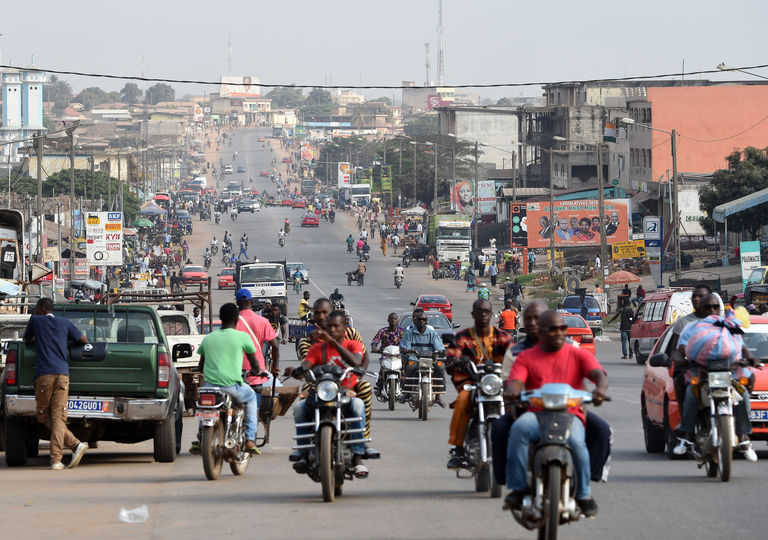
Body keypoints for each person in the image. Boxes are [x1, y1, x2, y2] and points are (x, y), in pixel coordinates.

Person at [493, 301, 612, 485]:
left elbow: (593, 373)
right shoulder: (517, 353)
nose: (533, 323)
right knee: (500, 429)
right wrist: (513, 396)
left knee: (603, 431)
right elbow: (510, 384)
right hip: (531, 409)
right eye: (529, 319)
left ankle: (588, 480)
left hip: (569, 409)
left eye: (538, 319)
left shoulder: (572, 347)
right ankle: (509, 480)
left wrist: (597, 392)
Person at [289, 310, 370, 477]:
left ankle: (357, 457)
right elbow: (307, 363)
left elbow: (355, 361)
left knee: (358, 405)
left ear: (344, 327)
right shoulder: (317, 347)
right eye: (330, 327)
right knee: (299, 408)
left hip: (346, 391)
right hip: (323, 391)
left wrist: (333, 342)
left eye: (336, 326)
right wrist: (298, 371)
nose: (332, 329)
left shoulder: (352, 344)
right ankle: (303, 452)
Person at [296, 298, 378, 459]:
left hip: (349, 382)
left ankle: (362, 438)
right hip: (321, 385)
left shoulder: (351, 333)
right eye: (317, 313)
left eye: (324, 313)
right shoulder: (309, 340)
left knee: (365, 389)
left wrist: (360, 371)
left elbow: (363, 355)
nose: (320, 317)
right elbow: (307, 366)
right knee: (304, 396)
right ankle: (307, 441)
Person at [673, 305, 757, 461]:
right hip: (702, 373)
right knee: (691, 394)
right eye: (707, 307)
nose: (711, 310)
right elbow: (682, 349)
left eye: (714, 307)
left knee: (743, 395)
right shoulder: (692, 328)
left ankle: (743, 437)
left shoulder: (729, 325)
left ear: (719, 309)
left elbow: (741, 346)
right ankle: (687, 435)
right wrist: (681, 360)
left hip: (728, 374)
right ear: (700, 309)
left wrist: (750, 358)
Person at [445, 299, 514, 469]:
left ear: (491, 315)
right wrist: (456, 360)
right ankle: (458, 449)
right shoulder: (462, 337)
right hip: (472, 383)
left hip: (498, 384)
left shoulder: (503, 337)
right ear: (473, 314)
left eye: (486, 311)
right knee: (462, 401)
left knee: (517, 405)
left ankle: (517, 447)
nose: (483, 314)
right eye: (479, 311)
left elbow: (515, 358)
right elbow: (452, 357)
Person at [23, 298, 89, 470]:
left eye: (37, 309)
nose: (35, 311)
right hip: (63, 374)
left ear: (42, 309)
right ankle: (68, 451)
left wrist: (39, 340)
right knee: (58, 416)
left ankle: (64, 452)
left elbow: (27, 339)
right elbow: (83, 339)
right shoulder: (65, 323)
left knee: (44, 415)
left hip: (44, 375)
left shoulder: (36, 320)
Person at [196, 303, 261, 453]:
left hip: (209, 388)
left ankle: (200, 436)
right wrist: (257, 371)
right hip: (232, 387)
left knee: (204, 407)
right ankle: (251, 439)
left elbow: (201, 365)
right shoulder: (242, 337)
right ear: (237, 319)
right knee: (251, 397)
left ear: (220, 318)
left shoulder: (209, 338)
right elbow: (254, 363)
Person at [399, 308, 447, 406]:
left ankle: (438, 396)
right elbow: (404, 346)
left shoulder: (432, 333)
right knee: (410, 367)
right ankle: (407, 393)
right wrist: (406, 350)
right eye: (420, 319)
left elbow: (438, 345)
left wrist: (441, 351)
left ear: (426, 321)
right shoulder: (409, 333)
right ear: (415, 320)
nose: (422, 321)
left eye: (424, 319)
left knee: (440, 367)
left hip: (430, 359)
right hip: (415, 358)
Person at [371, 312, 406, 394]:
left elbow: (408, 341)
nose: (393, 320)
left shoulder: (402, 331)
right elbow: (375, 340)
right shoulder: (382, 331)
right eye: (391, 319)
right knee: (382, 367)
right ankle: (380, 386)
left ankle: (404, 386)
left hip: (398, 355)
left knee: (403, 367)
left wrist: (407, 348)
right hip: (386, 355)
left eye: (395, 319)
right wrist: (374, 348)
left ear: (397, 320)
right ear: (388, 320)